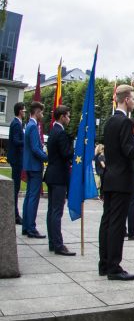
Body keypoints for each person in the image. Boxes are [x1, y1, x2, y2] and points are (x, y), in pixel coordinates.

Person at [98, 85, 134, 280]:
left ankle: (104, 263)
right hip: (121, 179)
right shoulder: (125, 123)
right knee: (116, 223)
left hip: (110, 177)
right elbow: (128, 150)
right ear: (126, 100)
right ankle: (114, 267)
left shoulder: (110, 121)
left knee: (107, 221)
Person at [44, 105, 75, 255]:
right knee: (57, 211)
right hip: (58, 176)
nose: (69, 119)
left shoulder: (53, 131)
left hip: (52, 174)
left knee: (51, 211)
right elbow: (66, 154)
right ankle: (58, 244)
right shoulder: (60, 133)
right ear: (62, 116)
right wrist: (73, 147)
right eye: (68, 116)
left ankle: (53, 242)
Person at [21, 102, 48, 240]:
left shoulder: (29, 125)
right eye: (42, 113)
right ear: (37, 112)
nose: (42, 115)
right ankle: (31, 227)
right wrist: (47, 158)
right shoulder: (32, 127)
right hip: (34, 166)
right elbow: (35, 148)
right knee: (33, 197)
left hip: (30, 165)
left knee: (29, 197)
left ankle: (26, 226)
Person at [7, 101, 25, 226]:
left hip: (17, 158)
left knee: (16, 187)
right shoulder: (16, 124)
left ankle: (15, 214)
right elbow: (16, 141)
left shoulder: (17, 123)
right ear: (20, 111)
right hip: (16, 159)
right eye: (24, 110)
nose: (25, 112)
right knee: (15, 187)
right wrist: (26, 140)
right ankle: (14, 215)